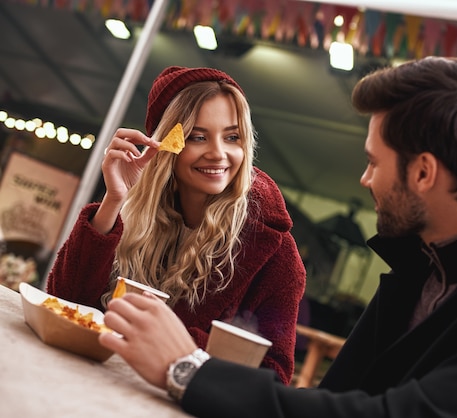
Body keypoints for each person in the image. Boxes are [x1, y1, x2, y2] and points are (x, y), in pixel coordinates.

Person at [99, 56, 457, 417]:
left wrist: (187, 367)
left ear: (423, 173)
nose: (365, 180)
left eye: (373, 162)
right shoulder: (417, 272)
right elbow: (338, 398)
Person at [45, 66, 306, 385]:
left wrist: (174, 348)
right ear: (166, 144)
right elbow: (63, 305)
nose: (218, 153)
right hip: (88, 388)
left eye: (232, 137)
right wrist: (114, 202)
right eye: (198, 136)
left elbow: (273, 378)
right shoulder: (133, 213)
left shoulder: (275, 253)